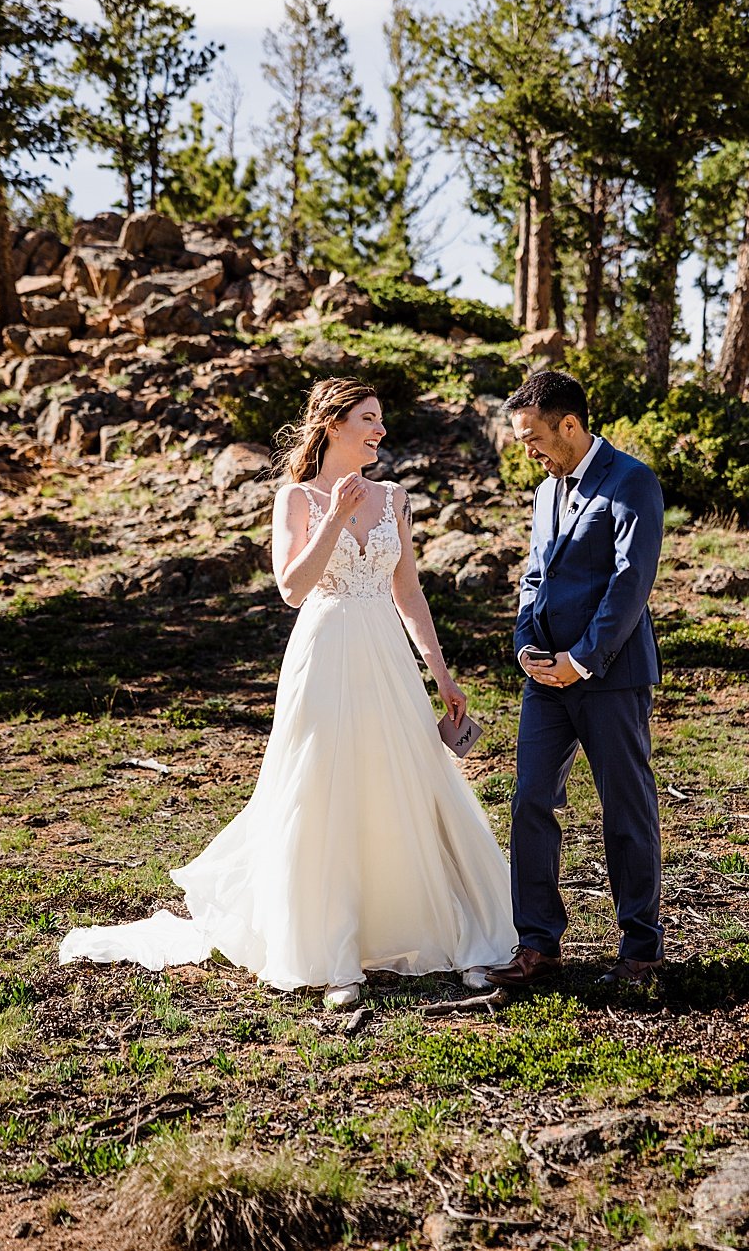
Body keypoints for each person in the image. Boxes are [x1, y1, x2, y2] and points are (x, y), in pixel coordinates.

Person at [60, 378, 516, 1009]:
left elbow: (407, 592)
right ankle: (335, 957)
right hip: (325, 651)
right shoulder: (295, 499)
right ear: (333, 425)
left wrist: (440, 673)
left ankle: (450, 937)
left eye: (382, 419)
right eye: (369, 419)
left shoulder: (394, 499)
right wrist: (331, 519)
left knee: (408, 783)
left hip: (386, 654)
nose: (381, 431)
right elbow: (292, 588)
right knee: (323, 789)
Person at [481, 370, 666, 991]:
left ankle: (641, 953)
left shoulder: (632, 481)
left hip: (610, 677)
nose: (526, 448)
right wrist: (527, 645)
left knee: (625, 809)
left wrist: (581, 660)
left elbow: (629, 584)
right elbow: (535, 576)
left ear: (569, 425)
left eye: (532, 436)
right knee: (531, 800)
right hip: (545, 680)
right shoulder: (544, 492)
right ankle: (538, 946)